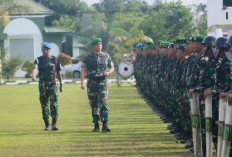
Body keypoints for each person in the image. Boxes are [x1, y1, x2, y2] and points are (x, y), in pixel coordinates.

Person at [80, 38, 114, 132]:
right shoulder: (88, 57)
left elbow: (112, 67)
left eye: (100, 44)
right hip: (91, 83)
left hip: (102, 82)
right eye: (97, 44)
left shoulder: (106, 56)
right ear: (93, 46)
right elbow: (83, 70)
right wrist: (82, 83)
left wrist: (108, 72)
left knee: (103, 102)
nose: (99, 46)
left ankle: (105, 125)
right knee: (94, 104)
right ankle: (96, 125)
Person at [32, 42, 63, 131]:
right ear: (41, 50)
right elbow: (35, 68)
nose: (45, 51)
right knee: (44, 104)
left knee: (54, 104)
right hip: (43, 85)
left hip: (53, 84)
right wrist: (33, 75)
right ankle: (47, 124)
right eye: (43, 49)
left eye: (46, 49)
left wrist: (61, 84)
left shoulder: (55, 59)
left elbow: (59, 72)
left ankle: (54, 124)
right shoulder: (38, 59)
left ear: (50, 50)